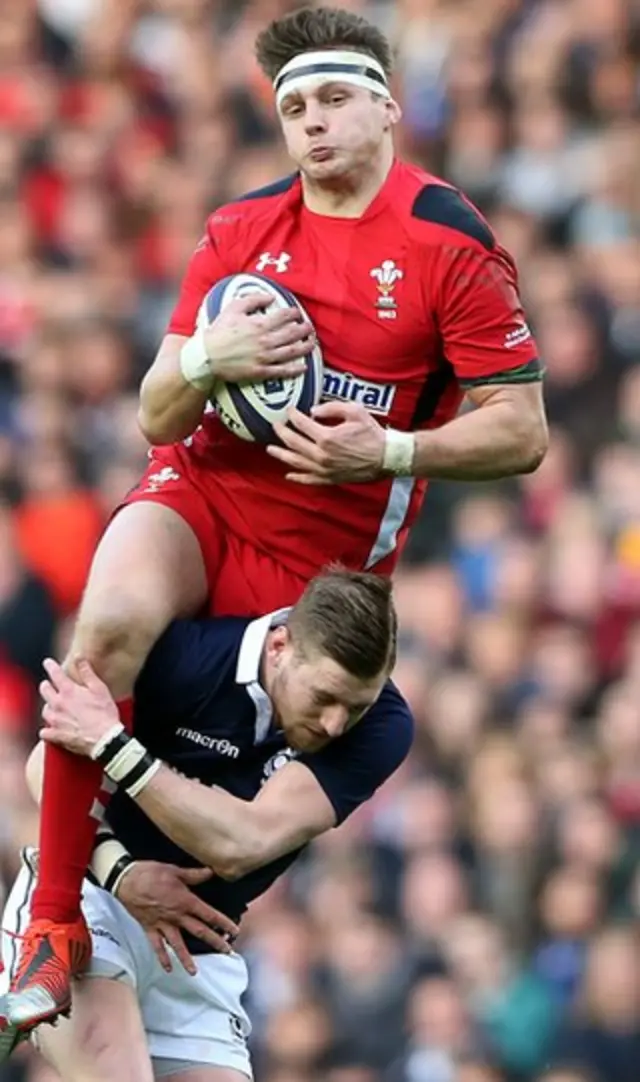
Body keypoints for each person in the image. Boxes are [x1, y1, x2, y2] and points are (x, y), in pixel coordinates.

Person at [8, 4, 548, 1030]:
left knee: (244, 796)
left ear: (388, 107)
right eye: (294, 104)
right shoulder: (241, 230)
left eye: (335, 97)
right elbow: (155, 411)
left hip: (323, 564)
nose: (312, 120)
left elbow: (520, 430)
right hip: (204, 491)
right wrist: (209, 360)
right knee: (108, 634)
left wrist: (387, 449)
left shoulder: (450, 241)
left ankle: (175, 960)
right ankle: (51, 921)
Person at [1, 569, 413, 1080]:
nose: (336, 723)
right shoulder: (183, 656)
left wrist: (114, 746)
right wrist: (121, 873)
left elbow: (244, 842)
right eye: (325, 696)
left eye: (356, 705)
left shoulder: (384, 727)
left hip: (198, 956)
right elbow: (45, 769)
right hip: (94, 907)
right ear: (279, 645)